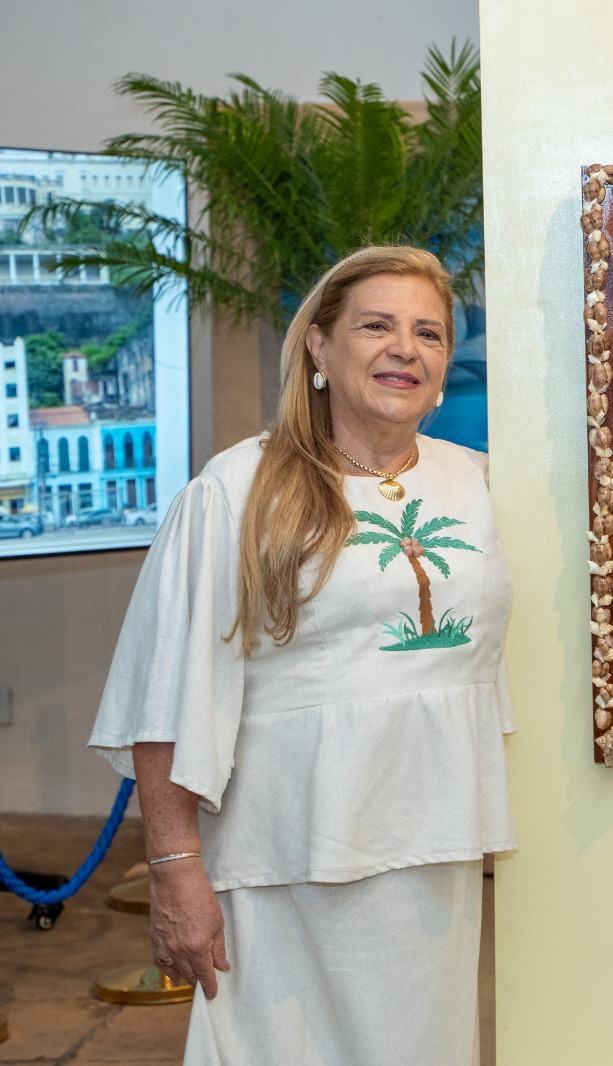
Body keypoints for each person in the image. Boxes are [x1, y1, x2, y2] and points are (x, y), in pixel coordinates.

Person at [88, 246, 515, 1065]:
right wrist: (175, 868)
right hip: (281, 865)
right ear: (319, 345)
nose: (406, 349)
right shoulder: (237, 489)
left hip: (437, 859)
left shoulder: (481, 483)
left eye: (429, 333)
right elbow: (168, 693)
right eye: (376, 326)